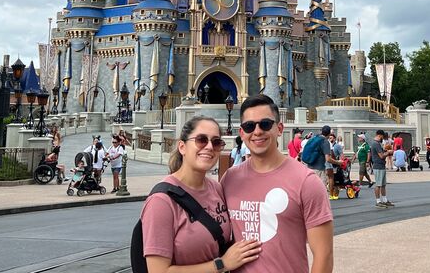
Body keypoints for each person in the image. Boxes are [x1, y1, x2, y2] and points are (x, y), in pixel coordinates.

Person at [222, 94, 334, 273]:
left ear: (279, 128)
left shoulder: (306, 182)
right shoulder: (229, 179)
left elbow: (324, 255)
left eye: (265, 124)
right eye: (249, 126)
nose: (257, 131)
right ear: (242, 133)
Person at [140, 115, 261, 272]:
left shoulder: (217, 188)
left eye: (216, 142)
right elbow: (159, 271)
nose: (210, 147)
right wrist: (222, 264)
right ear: (182, 147)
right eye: (201, 140)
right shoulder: (161, 201)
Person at [304, 125, 333, 191]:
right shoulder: (325, 142)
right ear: (329, 133)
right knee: (322, 190)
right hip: (319, 169)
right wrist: (338, 162)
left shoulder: (313, 138)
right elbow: (328, 159)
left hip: (309, 167)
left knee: (311, 189)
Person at [370, 129, 393, 208]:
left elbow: (381, 153)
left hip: (381, 166)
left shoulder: (376, 143)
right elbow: (381, 156)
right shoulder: (376, 144)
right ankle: (378, 201)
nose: (382, 138)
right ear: (380, 135)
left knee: (383, 184)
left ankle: (385, 200)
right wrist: (388, 152)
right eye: (382, 137)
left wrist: (385, 150)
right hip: (378, 166)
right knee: (378, 184)